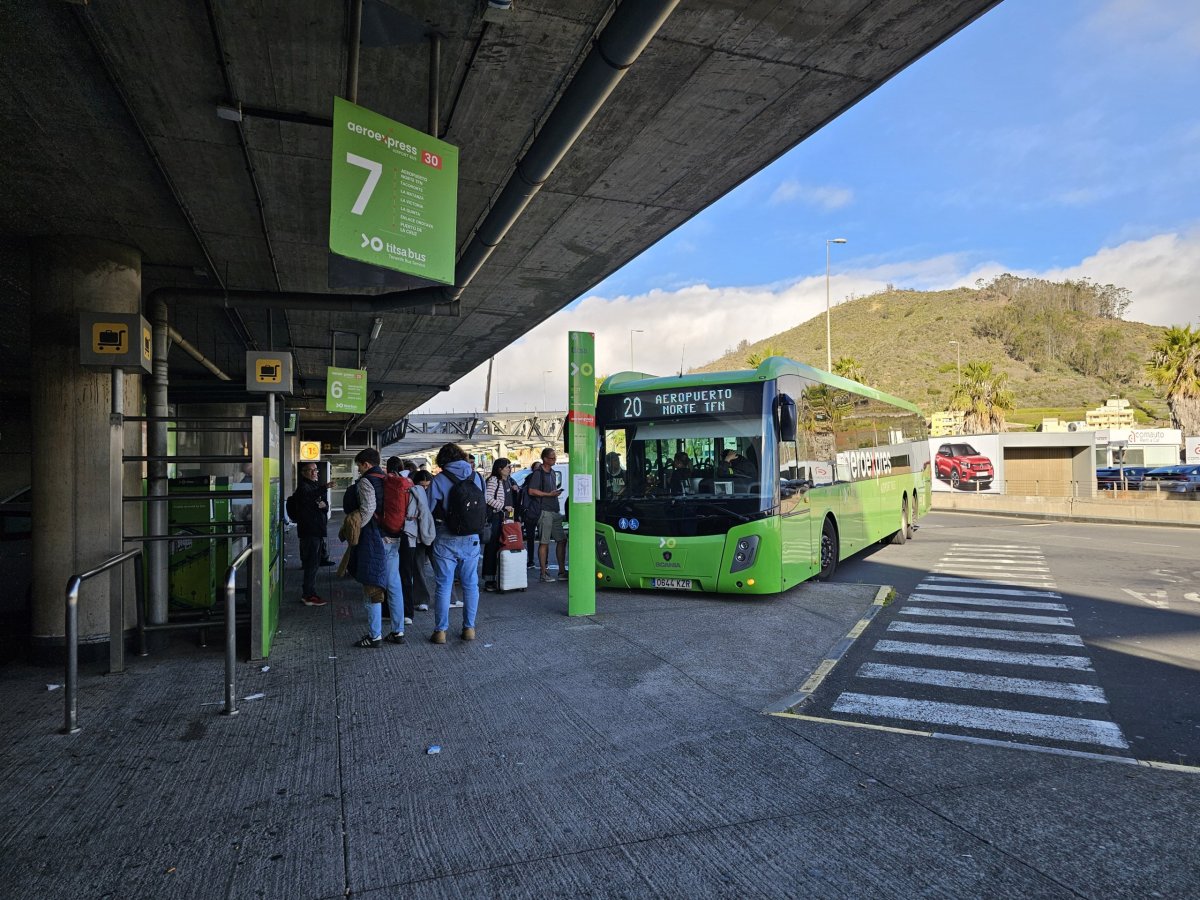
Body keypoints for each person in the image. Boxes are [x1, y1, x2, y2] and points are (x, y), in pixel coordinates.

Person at [343, 448, 405, 648]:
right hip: (394, 538)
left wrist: (356, 528)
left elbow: (368, 509)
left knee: (372, 586)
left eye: (359, 466)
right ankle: (398, 631)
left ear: (366, 464)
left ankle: (374, 635)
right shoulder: (388, 479)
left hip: (376, 540)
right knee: (394, 585)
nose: (359, 470)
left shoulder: (366, 481)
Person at [426, 443, 486, 644]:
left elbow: (428, 509)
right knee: (470, 584)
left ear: (442, 461)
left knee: (444, 585)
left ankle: (440, 631)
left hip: (446, 537)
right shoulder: (476, 477)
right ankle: (469, 628)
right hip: (471, 538)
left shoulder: (439, 480)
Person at [292, 462, 330, 607]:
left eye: (316, 470)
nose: (315, 472)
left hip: (317, 530)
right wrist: (324, 487)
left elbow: (324, 505)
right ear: (303, 472)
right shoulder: (303, 487)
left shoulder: (314, 486)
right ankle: (308, 595)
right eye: (311, 470)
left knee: (314, 563)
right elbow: (309, 497)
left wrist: (324, 506)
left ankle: (310, 592)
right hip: (309, 530)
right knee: (311, 563)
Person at [527, 447, 566, 583]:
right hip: (544, 511)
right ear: (544, 459)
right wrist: (549, 494)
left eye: (555, 458)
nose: (554, 460)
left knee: (562, 540)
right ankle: (543, 573)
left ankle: (562, 571)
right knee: (544, 542)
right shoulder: (538, 473)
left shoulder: (553, 472)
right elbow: (531, 491)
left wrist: (554, 493)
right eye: (551, 458)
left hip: (555, 511)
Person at [482, 458, 515, 592]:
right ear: (500, 469)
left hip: (504, 517)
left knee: (502, 546)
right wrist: (502, 506)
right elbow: (487, 497)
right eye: (507, 467)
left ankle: (499, 577)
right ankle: (489, 580)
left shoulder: (508, 481)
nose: (509, 469)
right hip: (495, 517)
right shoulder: (493, 480)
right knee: (492, 547)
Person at [409, 470, 436, 612]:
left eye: (427, 486)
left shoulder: (432, 493)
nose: (424, 489)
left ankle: (448, 597)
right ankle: (421, 599)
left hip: (431, 533)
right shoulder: (412, 492)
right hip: (418, 535)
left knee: (439, 567)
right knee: (418, 568)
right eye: (422, 485)